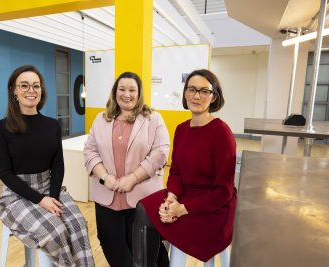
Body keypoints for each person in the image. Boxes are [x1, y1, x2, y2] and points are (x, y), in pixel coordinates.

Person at [0, 65, 94, 267]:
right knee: (54, 232)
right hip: (17, 195)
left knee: (78, 225)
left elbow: (58, 165)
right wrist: (40, 200)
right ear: (14, 90)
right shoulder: (1, 128)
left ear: (41, 90)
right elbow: (4, 173)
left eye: (36, 86)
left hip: (50, 189)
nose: (31, 90)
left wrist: (52, 197)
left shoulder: (51, 125)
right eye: (24, 85)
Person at [133, 69, 237, 267]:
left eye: (204, 91)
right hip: (185, 195)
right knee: (143, 209)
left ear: (214, 96)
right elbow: (176, 172)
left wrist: (181, 210)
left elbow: (223, 191)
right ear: (185, 93)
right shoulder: (181, 129)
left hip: (214, 206)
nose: (197, 96)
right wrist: (171, 198)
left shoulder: (222, 133)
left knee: (167, 218)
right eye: (192, 89)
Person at [83, 72, 170, 267]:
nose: (127, 94)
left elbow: (161, 152)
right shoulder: (101, 119)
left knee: (147, 251)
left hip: (142, 198)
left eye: (132, 90)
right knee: (111, 245)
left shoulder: (153, 119)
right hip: (107, 196)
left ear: (139, 94)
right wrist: (105, 177)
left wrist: (133, 178)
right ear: (115, 93)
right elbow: (90, 151)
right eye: (122, 89)